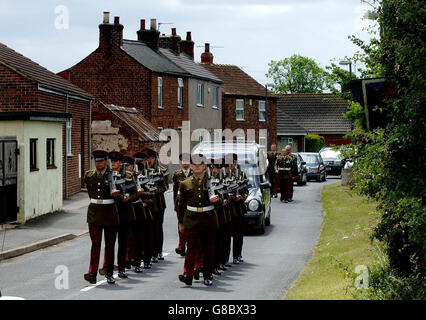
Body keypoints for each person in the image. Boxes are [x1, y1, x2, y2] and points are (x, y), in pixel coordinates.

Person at [177, 154, 221, 286]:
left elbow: (222, 200)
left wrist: (216, 200)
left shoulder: (213, 182)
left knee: (208, 249)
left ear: (204, 167)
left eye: (199, 165)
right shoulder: (184, 184)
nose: (196, 167)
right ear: (191, 166)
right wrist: (180, 222)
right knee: (191, 248)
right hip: (191, 219)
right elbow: (181, 205)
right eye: (194, 165)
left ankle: (207, 275)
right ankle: (188, 274)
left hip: (208, 219)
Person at [83, 150, 120, 285]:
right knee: (95, 244)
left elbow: (122, 196)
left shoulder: (114, 176)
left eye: (101, 161)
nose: (98, 164)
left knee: (109, 245)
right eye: (96, 161)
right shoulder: (89, 175)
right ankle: (92, 273)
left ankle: (109, 272)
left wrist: (117, 196)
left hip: (110, 213)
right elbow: (90, 194)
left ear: (105, 161)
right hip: (94, 214)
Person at [106, 151, 138, 279]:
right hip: (111, 213)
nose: (115, 164)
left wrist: (128, 198)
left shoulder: (128, 176)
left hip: (125, 213)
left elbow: (136, 194)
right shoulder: (107, 176)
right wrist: (119, 197)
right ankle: (108, 270)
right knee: (110, 244)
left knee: (123, 243)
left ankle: (122, 268)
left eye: (117, 161)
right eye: (112, 162)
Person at [142, 148, 169, 263]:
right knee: (147, 229)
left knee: (157, 227)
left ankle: (158, 251)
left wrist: (154, 192)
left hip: (158, 203)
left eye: (149, 158)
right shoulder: (141, 170)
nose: (147, 161)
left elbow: (165, 187)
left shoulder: (161, 170)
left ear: (154, 158)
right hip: (145, 203)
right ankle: (147, 252)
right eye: (145, 159)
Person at [134, 152, 156, 269]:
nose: (138, 172)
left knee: (147, 236)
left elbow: (151, 193)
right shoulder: (131, 179)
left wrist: (142, 195)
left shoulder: (146, 178)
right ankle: (136, 261)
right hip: (135, 212)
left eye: (139, 170)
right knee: (137, 238)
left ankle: (147, 259)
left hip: (146, 212)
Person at [226, 153, 248, 264]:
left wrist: (242, 197)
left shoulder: (241, 174)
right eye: (230, 163)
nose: (231, 165)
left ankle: (237, 255)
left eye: (233, 163)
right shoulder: (224, 174)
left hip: (238, 207)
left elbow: (246, 190)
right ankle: (225, 258)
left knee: (238, 234)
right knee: (227, 235)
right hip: (228, 207)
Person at [172, 153, 193, 257]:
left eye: (187, 161)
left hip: (191, 203)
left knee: (190, 225)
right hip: (180, 204)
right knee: (181, 225)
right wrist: (176, 205)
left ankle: (189, 246)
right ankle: (181, 246)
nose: (185, 164)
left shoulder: (194, 173)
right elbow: (175, 191)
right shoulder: (177, 174)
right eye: (183, 161)